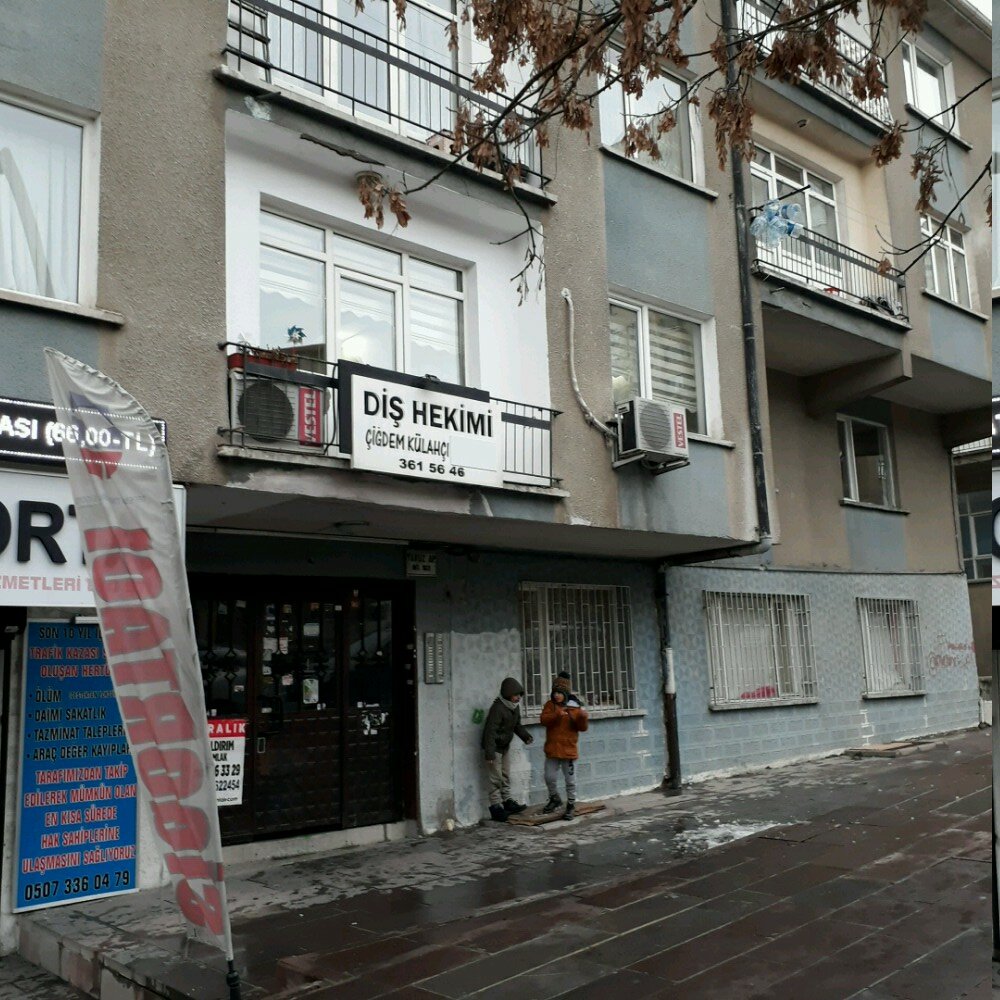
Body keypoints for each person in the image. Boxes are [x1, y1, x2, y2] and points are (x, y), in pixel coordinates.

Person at [482, 677, 534, 822]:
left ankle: (507, 801)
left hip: (505, 746)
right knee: (495, 778)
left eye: (520, 695)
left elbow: (517, 725)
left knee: (505, 775)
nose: (518, 698)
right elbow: (490, 731)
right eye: (516, 695)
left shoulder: (514, 707)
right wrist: (489, 753)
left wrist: (526, 736)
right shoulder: (497, 708)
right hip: (494, 748)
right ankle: (496, 807)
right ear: (508, 694)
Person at [540, 671, 589, 820]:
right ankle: (554, 798)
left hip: (568, 751)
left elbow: (582, 728)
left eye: (560, 693)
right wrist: (557, 714)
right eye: (555, 692)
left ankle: (571, 805)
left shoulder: (574, 707)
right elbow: (543, 720)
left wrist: (582, 718)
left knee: (570, 781)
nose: (556, 695)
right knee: (549, 777)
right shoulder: (550, 705)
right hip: (552, 750)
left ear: (566, 693)